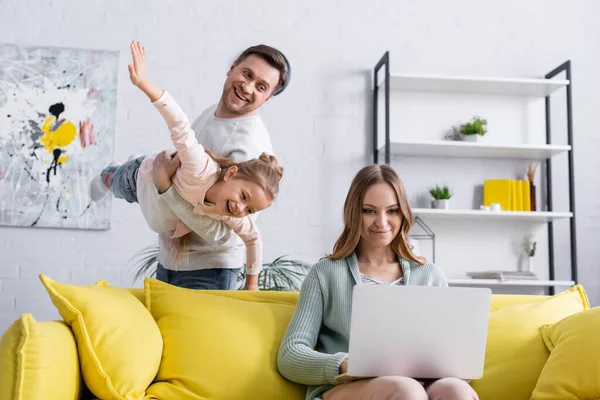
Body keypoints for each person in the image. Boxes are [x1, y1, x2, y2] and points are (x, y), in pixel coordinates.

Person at [90, 41, 285, 290]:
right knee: (125, 180)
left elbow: (226, 234)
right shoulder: (214, 115)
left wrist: (252, 283)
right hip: (167, 242)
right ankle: (111, 175)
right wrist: (143, 83)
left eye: (261, 87)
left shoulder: (249, 146)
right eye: (247, 74)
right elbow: (177, 123)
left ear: (267, 98)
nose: (247, 88)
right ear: (232, 68)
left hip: (209, 268)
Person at [277, 164, 479, 400]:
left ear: (403, 213)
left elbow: (457, 363)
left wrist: (448, 369)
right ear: (354, 212)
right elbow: (290, 355)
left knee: (458, 391)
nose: (382, 223)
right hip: (347, 389)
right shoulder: (325, 274)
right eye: (369, 211)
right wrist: (345, 365)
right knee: (407, 390)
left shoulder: (430, 275)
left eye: (392, 211)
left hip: (419, 386)